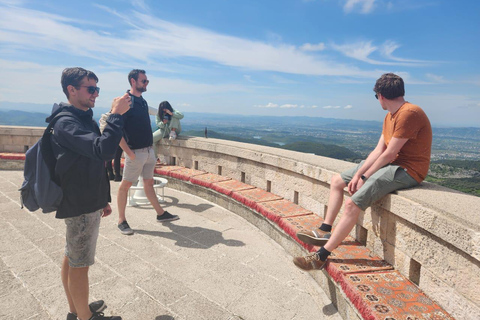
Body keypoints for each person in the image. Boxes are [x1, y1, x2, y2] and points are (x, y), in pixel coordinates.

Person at [293, 73, 432, 271]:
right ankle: (325, 229)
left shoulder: (409, 113)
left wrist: (364, 177)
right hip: (390, 163)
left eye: (376, 97)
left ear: (381, 95)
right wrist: (359, 174)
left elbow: (390, 154)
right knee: (337, 181)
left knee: (352, 204)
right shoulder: (390, 116)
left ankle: (321, 256)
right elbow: (379, 151)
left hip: (407, 169)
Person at [52, 67, 130, 320]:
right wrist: (116, 115)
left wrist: (102, 199)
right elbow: (104, 151)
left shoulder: (81, 118)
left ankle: (77, 309)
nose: (96, 94)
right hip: (80, 202)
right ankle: (85, 318)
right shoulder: (67, 122)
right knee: (80, 263)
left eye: (97, 88)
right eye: (90, 88)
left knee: (72, 255)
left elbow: (91, 163)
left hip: (86, 198)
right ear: (71, 90)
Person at [117, 69, 179, 235]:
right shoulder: (125, 101)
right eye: (143, 81)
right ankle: (121, 220)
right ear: (133, 81)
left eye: (147, 81)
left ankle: (160, 214)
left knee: (148, 183)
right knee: (125, 186)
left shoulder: (142, 102)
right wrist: (129, 153)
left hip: (148, 151)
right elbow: (115, 130)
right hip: (135, 153)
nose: (146, 84)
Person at [99, 112, 124, 181]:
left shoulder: (105, 117)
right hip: (118, 139)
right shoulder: (118, 117)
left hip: (107, 138)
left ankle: (110, 174)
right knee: (117, 157)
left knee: (108, 158)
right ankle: (117, 175)